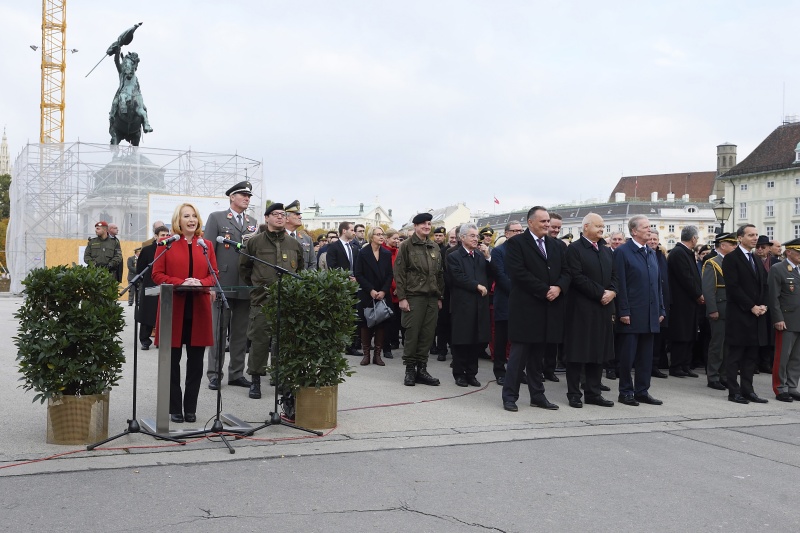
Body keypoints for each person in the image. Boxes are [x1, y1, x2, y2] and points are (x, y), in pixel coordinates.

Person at [151, 203, 217, 424]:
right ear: (177, 221)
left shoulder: (205, 245)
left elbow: (213, 274)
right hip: (174, 309)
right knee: (172, 362)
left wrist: (200, 282)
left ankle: (190, 408)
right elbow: (157, 274)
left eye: (194, 216)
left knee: (196, 364)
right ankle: (174, 408)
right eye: (186, 216)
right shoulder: (165, 244)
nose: (191, 220)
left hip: (199, 309)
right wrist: (181, 282)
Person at [501, 207, 569, 412]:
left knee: (537, 358)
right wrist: (544, 290)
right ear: (530, 222)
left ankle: (537, 396)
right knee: (518, 357)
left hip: (548, 310)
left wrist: (559, 287)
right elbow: (518, 273)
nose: (547, 225)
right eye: (543, 222)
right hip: (526, 309)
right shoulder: (516, 244)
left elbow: (567, 271)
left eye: (548, 221)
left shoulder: (557, 246)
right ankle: (510, 396)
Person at [240, 203, 305, 399]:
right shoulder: (255, 242)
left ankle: (281, 378)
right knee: (260, 340)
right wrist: (258, 285)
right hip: (262, 298)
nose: (280, 217)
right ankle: (256, 380)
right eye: (275, 214)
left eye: (283, 215)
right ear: (267, 218)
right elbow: (244, 269)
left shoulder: (294, 244)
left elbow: (299, 270)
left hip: (287, 299)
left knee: (284, 341)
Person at [203, 180, 258, 391]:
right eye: (243, 195)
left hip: (245, 284)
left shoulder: (252, 222)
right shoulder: (217, 218)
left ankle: (236, 373)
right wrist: (210, 284)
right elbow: (207, 251)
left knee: (240, 333)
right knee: (218, 331)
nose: (247, 198)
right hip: (222, 283)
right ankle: (215, 374)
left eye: (249, 196)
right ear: (232, 197)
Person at [563, 213, 616, 408]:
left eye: (603, 226)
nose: (602, 230)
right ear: (586, 227)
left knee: (598, 352)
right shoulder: (575, 249)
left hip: (603, 308)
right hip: (581, 309)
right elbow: (576, 277)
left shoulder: (606, 250)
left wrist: (613, 292)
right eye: (598, 226)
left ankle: (593, 393)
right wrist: (601, 293)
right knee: (578, 352)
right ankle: (574, 393)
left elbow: (615, 275)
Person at [613, 215, 665, 407]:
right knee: (628, 356)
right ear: (634, 231)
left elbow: (656, 284)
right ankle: (625, 391)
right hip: (632, 313)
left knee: (645, 356)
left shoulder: (651, 253)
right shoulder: (623, 252)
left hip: (650, 313)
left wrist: (661, 308)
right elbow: (621, 284)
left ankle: (642, 390)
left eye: (650, 226)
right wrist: (623, 310)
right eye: (645, 227)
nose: (649, 230)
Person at [394, 212, 445, 386]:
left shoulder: (434, 247)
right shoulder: (406, 246)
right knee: (412, 334)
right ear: (415, 226)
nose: (426, 226)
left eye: (429, 223)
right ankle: (410, 370)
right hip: (414, 296)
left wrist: (439, 296)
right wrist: (402, 297)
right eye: (422, 223)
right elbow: (399, 273)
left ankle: (422, 370)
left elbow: (439, 274)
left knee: (427, 335)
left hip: (431, 297)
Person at [722, 224, 770, 404]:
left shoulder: (757, 258)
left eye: (756, 235)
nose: (755, 238)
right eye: (751, 235)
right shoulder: (731, 258)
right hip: (740, 314)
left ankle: (748, 390)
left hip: (757, 315)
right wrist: (751, 306)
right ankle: (734, 392)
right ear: (740, 238)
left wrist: (763, 304)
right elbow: (733, 287)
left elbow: (764, 284)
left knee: (751, 355)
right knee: (735, 355)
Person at [447, 223, 494, 387]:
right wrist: (476, 285)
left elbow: (491, 274)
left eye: (477, 236)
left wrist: (488, 258)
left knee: (476, 341)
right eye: (472, 236)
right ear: (462, 238)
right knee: (462, 340)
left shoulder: (480, 256)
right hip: (463, 305)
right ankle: (459, 374)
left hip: (479, 304)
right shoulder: (454, 256)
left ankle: (472, 373)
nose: (476, 239)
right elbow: (457, 277)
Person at [667, 226, 703, 378]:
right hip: (681, 301)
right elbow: (686, 278)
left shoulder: (686, 252)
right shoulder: (678, 253)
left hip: (689, 302)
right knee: (681, 334)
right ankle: (676, 366)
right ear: (693, 238)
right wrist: (698, 294)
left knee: (689, 334)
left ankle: (685, 365)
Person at [354, 227, 393, 366]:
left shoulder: (386, 253)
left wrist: (383, 291)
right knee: (365, 324)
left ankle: (378, 355)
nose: (381, 237)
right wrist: (370, 290)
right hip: (366, 293)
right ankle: (366, 355)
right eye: (378, 234)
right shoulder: (363, 252)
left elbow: (389, 274)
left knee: (381, 324)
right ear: (371, 237)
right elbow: (358, 274)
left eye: (382, 234)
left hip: (382, 294)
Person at [491, 221, 524, 385]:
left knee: (520, 339)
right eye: (515, 231)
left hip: (523, 303)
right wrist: (518, 292)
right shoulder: (498, 251)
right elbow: (500, 275)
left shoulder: (525, 251)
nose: (518, 233)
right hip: (505, 301)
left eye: (521, 230)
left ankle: (518, 370)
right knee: (501, 339)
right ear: (507, 233)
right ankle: (499, 370)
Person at [767, 238, 800, 402]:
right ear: (789, 252)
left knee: (797, 357)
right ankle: (780, 388)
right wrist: (778, 318)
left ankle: (792, 387)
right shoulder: (778, 269)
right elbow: (773, 297)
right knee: (783, 356)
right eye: (799, 252)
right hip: (786, 320)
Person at [702, 233, 736, 391]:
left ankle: (724, 375)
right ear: (723, 245)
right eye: (732, 244)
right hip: (720, 309)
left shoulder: (731, 261)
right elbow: (708, 290)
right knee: (717, 344)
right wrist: (712, 309)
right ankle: (713, 376)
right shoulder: (712, 263)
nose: (735, 247)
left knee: (728, 345)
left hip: (731, 310)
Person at [326, 221, 363, 355]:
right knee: (340, 316)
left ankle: (351, 346)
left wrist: (357, 277)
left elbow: (358, 265)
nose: (354, 232)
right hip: (341, 287)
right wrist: (347, 277)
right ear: (344, 231)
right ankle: (336, 344)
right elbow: (332, 266)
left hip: (355, 286)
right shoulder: (334, 247)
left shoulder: (354, 247)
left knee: (353, 316)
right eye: (352, 230)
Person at [136, 225, 170, 350]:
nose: (165, 237)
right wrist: (147, 281)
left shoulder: (170, 249)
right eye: (162, 235)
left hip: (166, 286)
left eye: (167, 235)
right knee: (148, 312)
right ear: (156, 236)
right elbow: (140, 269)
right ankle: (145, 340)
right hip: (150, 285)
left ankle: (161, 340)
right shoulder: (147, 250)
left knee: (164, 313)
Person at [648, 229, 670, 378]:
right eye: (651, 239)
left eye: (656, 239)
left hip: (662, 302)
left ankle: (655, 365)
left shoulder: (661, 256)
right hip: (649, 302)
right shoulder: (645, 255)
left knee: (659, 337)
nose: (653, 242)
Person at [381, 228, 402, 358]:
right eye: (394, 238)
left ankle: (394, 341)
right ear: (387, 238)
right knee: (386, 319)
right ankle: (385, 345)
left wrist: (399, 287)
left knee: (396, 318)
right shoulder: (383, 252)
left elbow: (401, 272)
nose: (396, 241)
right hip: (386, 290)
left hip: (398, 290)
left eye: (398, 238)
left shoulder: (399, 253)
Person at [285, 200, 317, 271]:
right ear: (286, 218)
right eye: (296, 214)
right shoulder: (278, 237)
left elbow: (313, 263)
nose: (300, 217)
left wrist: (306, 279)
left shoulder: (307, 239)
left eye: (299, 214)